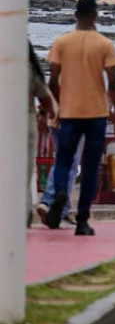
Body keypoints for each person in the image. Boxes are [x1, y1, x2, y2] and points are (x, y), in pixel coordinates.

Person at [44, 0, 115, 236]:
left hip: (68, 112)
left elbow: (52, 81)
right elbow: (113, 84)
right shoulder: (104, 44)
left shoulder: (61, 42)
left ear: (76, 15)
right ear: (96, 15)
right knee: (89, 167)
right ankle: (82, 220)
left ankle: (58, 194)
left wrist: (54, 108)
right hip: (96, 114)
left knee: (64, 160)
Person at [27, 43, 58, 228]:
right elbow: (45, 98)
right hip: (24, 120)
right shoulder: (30, 70)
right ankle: (23, 216)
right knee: (24, 171)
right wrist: (49, 113)